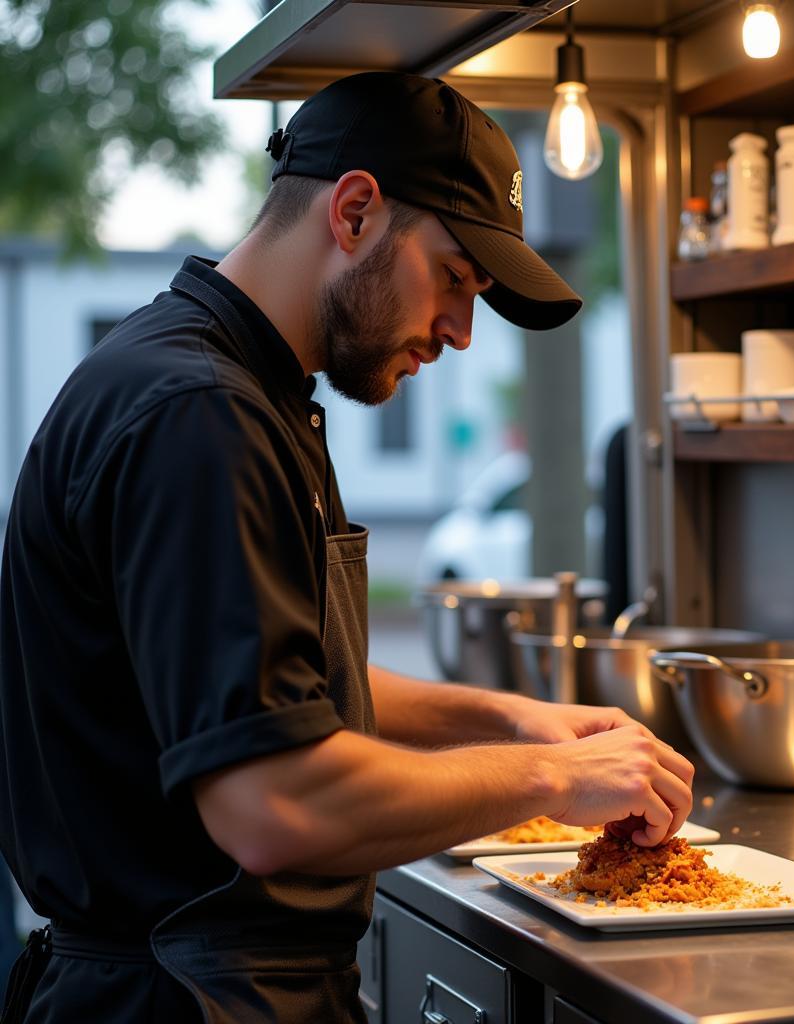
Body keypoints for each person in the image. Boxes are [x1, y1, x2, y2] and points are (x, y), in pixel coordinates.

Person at [0, 72, 694, 1024]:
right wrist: (556, 779)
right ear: (357, 210)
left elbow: (282, 694)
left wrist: (512, 719)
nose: (458, 330)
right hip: (176, 998)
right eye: (454, 277)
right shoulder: (200, 416)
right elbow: (274, 800)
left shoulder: (237, 391)